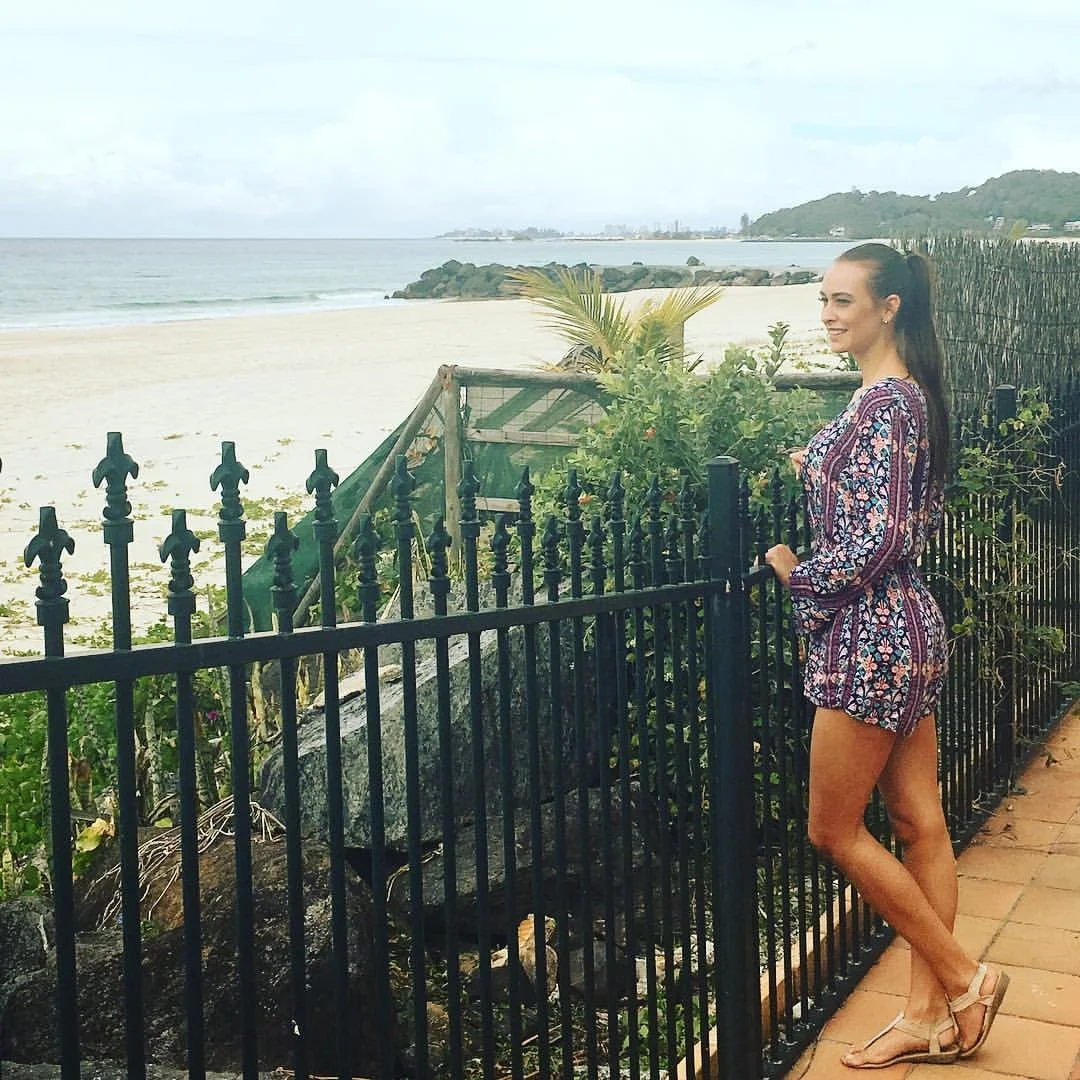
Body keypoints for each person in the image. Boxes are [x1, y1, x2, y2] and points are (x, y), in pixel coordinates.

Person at [764, 243, 1009, 1069]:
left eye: (843, 300)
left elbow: (882, 536)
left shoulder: (885, 405)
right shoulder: (905, 398)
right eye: (822, 300)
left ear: (889, 306)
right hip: (908, 630)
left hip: (871, 637)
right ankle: (927, 1017)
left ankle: (963, 980)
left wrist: (800, 575)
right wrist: (819, 468)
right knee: (918, 824)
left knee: (833, 830)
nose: (828, 314)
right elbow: (888, 508)